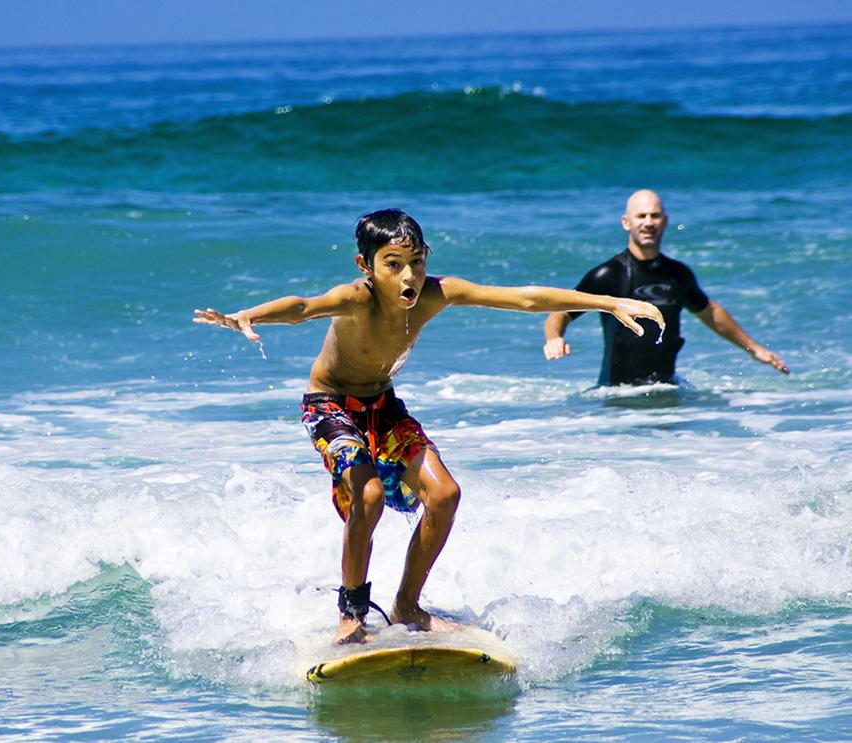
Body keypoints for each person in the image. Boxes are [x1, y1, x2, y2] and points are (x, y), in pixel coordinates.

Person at [195, 209, 664, 644]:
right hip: (330, 405)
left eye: (416, 262)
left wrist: (607, 301)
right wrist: (247, 316)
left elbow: (525, 297)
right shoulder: (355, 300)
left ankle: (406, 606)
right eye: (393, 263)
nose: (408, 276)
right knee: (369, 494)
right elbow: (301, 307)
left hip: (383, 405)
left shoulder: (437, 293)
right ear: (365, 266)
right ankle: (352, 616)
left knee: (444, 494)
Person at [543, 190, 789, 386]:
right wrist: (554, 338)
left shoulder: (677, 275)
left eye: (655, 216)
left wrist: (754, 349)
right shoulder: (608, 274)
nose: (648, 223)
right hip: (617, 397)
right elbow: (562, 311)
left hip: (666, 390)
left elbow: (710, 313)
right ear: (626, 223)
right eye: (641, 216)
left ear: (665, 221)